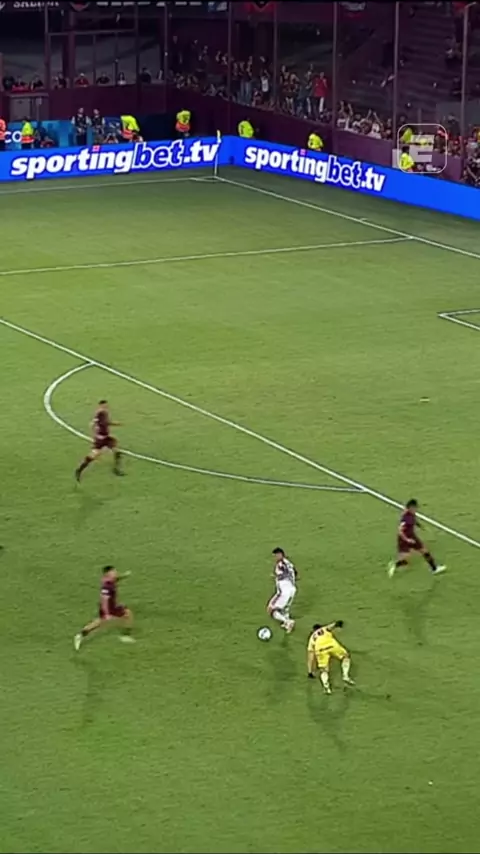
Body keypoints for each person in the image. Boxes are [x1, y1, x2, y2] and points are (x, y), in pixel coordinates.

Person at [74, 565, 135, 650]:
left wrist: (125, 575)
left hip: (112, 605)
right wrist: (107, 613)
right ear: (108, 573)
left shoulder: (110, 580)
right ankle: (125, 635)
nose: (115, 573)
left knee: (100, 621)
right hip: (109, 607)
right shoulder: (107, 586)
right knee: (126, 614)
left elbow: (116, 579)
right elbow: (104, 600)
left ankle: (80, 635)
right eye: (113, 571)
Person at [388, 499, 446, 578]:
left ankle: (434, 569)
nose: (416, 509)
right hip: (406, 539)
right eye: (415, 507)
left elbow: (414, 521)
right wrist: (407, 539)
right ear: (411, 507)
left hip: (411, 537)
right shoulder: (406, 517)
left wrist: (421, 527)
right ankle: (395, 564)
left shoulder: (411, 514)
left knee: (423, 551)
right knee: (407, 558)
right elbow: (400, 530)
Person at [75, 400, 123, 481]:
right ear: (101, 405)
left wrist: (115, 424)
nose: (106, 406)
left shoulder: (104, 413)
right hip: (101, 439)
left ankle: (116, 469)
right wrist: (96, 432)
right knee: (93, 456)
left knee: (116, 451)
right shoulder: (100, 413)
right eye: (105, 405)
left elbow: (101, 423)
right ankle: (79, 470)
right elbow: (97, 423)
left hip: (106, 438)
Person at [307, 621, 354, 695]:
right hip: (331, 645)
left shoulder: (312, 638)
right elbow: (331, 626)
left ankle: (326, 687)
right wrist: (337, 624)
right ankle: (345, 675)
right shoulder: (324, 629)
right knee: (346, 656)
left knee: (323, 669)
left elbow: (310, 655)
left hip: (320, 649)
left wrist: (310, 671)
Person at [267, 547, 297, 633]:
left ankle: (288, 622)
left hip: (284, 590)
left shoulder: (281, 563)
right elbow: (295, 573)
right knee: (285, 608)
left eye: (276, 555)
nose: (275, 558)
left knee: (271, 609)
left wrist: (277, 576)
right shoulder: (289, 563)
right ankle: (287, 624)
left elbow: (283, 572)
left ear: (280, 554)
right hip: (292, 589)